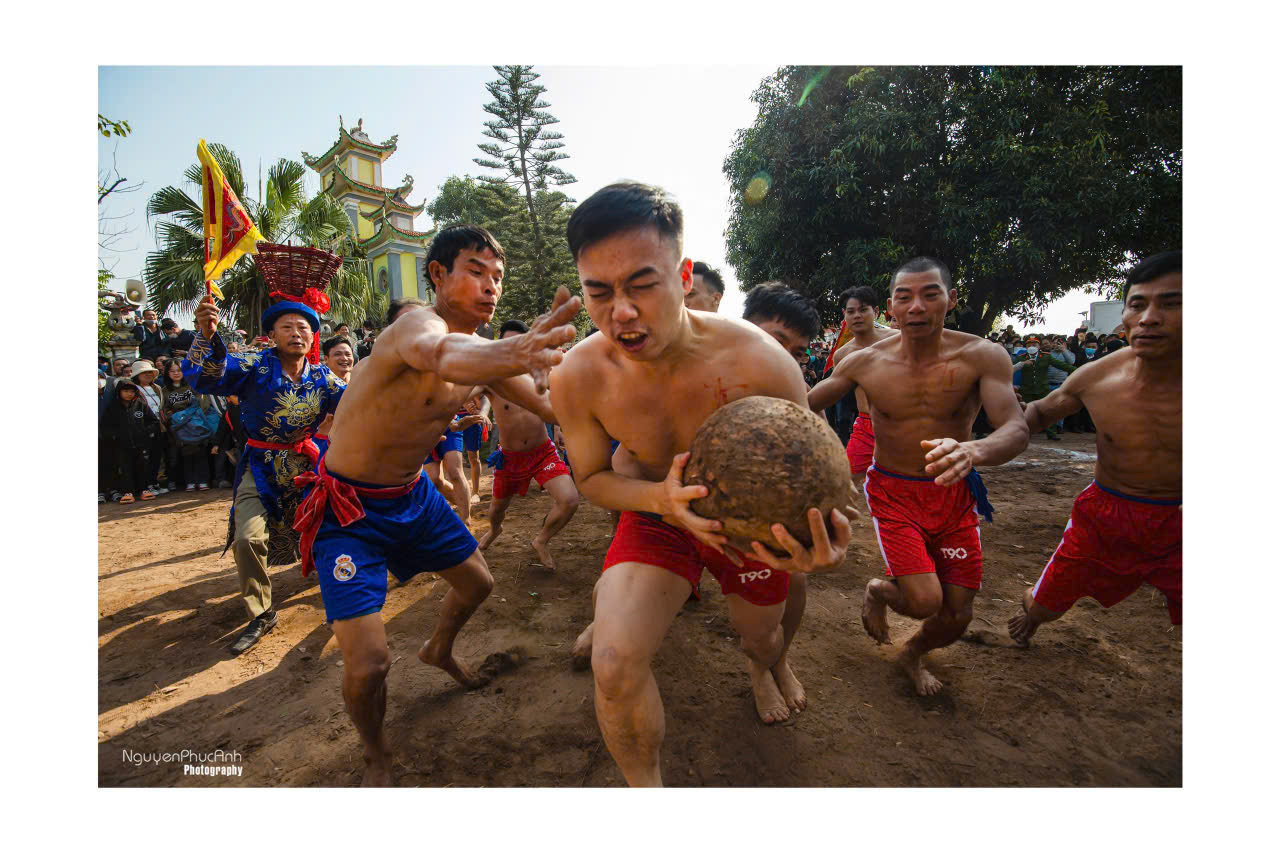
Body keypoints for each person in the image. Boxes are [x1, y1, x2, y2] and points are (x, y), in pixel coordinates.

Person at [552, 182, 852, 786]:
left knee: (762, 642)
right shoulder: (579, 375)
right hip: (657, 514)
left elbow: (817, 475)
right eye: (599, 292)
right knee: (612, 661)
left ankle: (769, 665)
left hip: (751, 529)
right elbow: (590, 477)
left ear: (683, 275)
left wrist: (821, 542)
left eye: (642, 284)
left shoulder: (763, 362)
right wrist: (660, 499)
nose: (622, 312)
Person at [290, 224, 579, 786]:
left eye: (498, 276)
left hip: (412, 497)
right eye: (475, 271)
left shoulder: (491, 357)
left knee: (479, 584)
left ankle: (438, 647)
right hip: (350, 511)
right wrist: (516, 349)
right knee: (371, 663)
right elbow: (440, 352)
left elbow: (549, 407)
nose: (491, 286)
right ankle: (375, 751)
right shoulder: (416, 325)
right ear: (438, 275)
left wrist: (589, 376)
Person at [808, 256, 1028, 696]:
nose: (917, 306)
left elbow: (1016, 428)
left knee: (957, 614)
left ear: (951, 300)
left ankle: (912, 653)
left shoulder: (982, 355)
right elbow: (806, 403)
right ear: (891, 306)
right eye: (905, 297)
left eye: (931, 294)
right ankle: (878, 589)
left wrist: (973, 449)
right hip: (893, 492)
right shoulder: (862, 361)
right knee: (926, 599)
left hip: (953, 494)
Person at [1009, 252, 1181, 645]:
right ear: (1124, 315)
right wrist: (1006, 415)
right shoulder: (1098, 376)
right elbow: (1036, 415)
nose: (1149, 318)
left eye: (1171, 303)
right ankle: (1035, 611)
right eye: (1138, 304)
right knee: (1043, 608)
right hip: (1108, 514)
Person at [184, 295, 346, 655]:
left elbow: (360, 406)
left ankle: (342, 598)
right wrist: (207, 337)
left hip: (307, 469)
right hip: (259, 467)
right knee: (247, 538)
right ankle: (262, 613)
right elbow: (207, 378)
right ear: (272, 333)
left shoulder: (323, 377)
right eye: (286, 327)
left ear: (313, 337)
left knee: (332, 531)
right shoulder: (253, 366)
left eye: (303, 327)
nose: (296, 333)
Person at [476, 320, 581, 568]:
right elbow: (472, 393)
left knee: (570, 500)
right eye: (508, 341)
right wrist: (478, 412)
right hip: (509, 458)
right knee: (495, 512)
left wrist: (559, 429)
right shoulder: (491, 377)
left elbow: (555, 400)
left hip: (542, 453)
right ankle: (494, 530)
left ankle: (541, 540)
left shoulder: (540, 371)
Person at [826, 285, 898, 493]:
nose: (857, 316)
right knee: (841, 486)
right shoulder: (842, 354)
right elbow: (833, 392)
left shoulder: (897, 342)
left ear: (875, 312)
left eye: (863, 310)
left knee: (904, 487)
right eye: (851, 311)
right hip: (865, 426)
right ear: (844, 315)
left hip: (900, 425)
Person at [100, 379, 162, 503]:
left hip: (141, 443)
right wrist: (114, 436)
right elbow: (105, 427)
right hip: (121, 445)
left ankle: (144, 490)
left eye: (132, 391)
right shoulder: (112, 408)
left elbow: (154, 422)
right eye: (126, 391)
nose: (129, 394)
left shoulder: (141, 405)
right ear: (119, 392)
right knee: (125, 468)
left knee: (143, 466)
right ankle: (127, 492)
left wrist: (145, 432)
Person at [1011, 336, 1077, 440]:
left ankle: (1051, 433)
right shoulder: (1021, 357)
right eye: (1029, 345)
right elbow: (1011, 369)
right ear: (1026, 346)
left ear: (1039, 346)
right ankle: (1025, 433)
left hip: (1043, 389)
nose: (1032, 346)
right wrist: (1023, 364)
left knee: (1048, 411)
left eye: (1034, 344)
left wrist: (1080, 371)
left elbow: (1062, 365)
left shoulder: (1046, 357)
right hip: (1027, 390)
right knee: (1025, 412)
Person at [130, 360, 169, 495]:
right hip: (143, 428)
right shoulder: (133, 390)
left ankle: (155, 482)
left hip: (159, 426)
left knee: (157, 457)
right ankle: (146, 485)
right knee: (145, 458)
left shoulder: (157, 388)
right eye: (143, 373)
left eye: (149, 372)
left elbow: (162, 406)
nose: (147, 375)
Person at [312, 335, 356, 457]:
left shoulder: (362, 382)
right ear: (326, 359)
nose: (344, 358)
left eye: (348, 354)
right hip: (322, 445)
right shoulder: (316, 385)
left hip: (354, 447)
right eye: (337, 354)